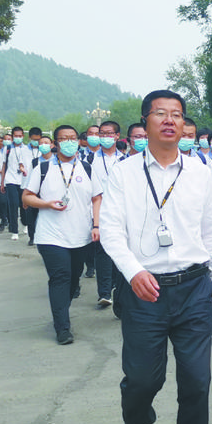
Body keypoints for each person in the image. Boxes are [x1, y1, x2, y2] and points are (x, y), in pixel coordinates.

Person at [99, 89, 212, 424]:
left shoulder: (200, 172)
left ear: (184, 124)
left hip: (194, 288)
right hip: (145, 291)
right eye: (160, 114)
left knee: (197, 384)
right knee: (142, 381)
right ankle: (136, 419)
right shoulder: (124, 173)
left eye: (177, 114)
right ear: (145, 122)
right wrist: (132, 271)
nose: (170, 120)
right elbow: (111, 229)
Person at [22, 125, 102, 345]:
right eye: (64, 138)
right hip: (51, 235)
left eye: (73, 138)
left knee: (74, 278)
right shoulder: (43, 168)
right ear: (55, 143)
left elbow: (97, 198)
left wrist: (96, 225)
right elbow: (27, 197)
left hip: (80, 235)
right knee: (60, 277)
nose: (69, 142)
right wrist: (46, 204)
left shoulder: (86, 168)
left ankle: (61, 311)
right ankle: (62, 328)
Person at [90, 120, 128, 309]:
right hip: (99, 211)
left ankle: (117, 289)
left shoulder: (125, 160)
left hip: (123, 211)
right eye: (102, 134)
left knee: (121, 250)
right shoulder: (90, 159)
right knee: (102, 252)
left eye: (109, 133)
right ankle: (104, 293)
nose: (105, 137)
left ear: (117, 136)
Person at [3, 126, 33, 240]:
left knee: (24, 204)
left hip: (24, 181)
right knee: (13, 204)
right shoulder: (7, 149)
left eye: (20, 136)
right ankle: (14, 230)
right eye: (16, 136)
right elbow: (4, 165)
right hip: (10, 180)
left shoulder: (27, 149)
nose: (18, 138)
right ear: (12, 136)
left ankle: (25, 223)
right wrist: (2, 182)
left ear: (23, 136)